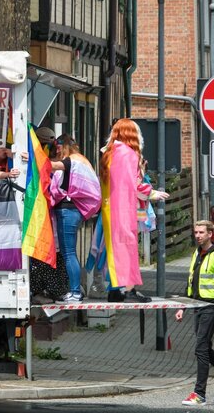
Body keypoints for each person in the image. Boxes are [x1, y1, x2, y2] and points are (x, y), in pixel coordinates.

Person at [98, 118, 169, 302]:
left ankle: (114, 290)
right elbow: (134, 184)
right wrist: (152, 193)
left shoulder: (109, 153)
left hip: (109, 208)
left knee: (114, 250)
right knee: (128, 248)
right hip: (124, 208)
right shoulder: (128, 154)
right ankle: (129, 289)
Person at [49, 135, 100, 304]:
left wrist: (32, 158)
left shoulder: (71, 161)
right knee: (70, 252)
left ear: (65, 147)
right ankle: (74, 290)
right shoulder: (83, 160)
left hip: (67, 210)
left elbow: (51, 166)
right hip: (76, 210)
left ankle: (75, 292)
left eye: (58, 149)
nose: (57, 152)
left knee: (69, 253)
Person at [176, 220, 214, 406]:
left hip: (210, 307)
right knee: (205, 349)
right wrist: (182, 307)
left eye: (201, 232)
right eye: (196, 232)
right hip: (196, 307)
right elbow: (190, 284)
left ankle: (199, 394)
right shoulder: (196, 254)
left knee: (200, 348)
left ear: (210, 234)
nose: (197, 235)